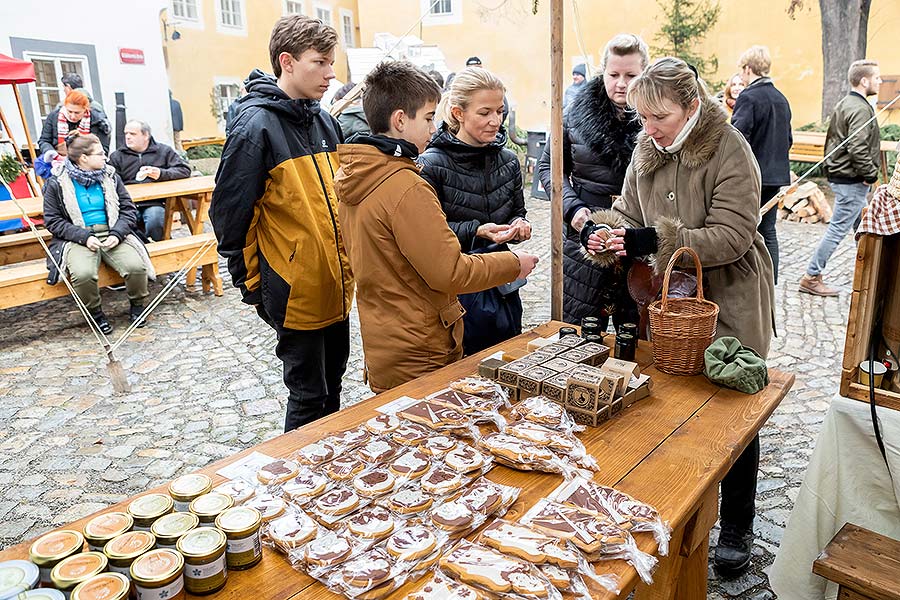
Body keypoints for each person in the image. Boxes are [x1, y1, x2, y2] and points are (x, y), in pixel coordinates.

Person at [586, 57, 775, 576]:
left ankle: (737, 523)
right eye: (642, 119)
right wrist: (606, 232)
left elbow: (735, 236)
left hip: (729, 298)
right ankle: (672, 505)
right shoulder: (649, 144)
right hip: (666, 301)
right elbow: (627, 210)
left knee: (733, 409)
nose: (648, 129)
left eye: (659, 118)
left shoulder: (730, 148)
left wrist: (656, 239)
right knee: (670, 401)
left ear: (692, 108)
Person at [335, 61, 535, 392]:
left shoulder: (359, 176)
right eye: (428, 118)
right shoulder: (405, 184)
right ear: (400, 120)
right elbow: (449, 272)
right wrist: (514, 264)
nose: (433, 127)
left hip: (387, 340)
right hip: (421, 346)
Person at [210, 15, 354, 431]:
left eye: (332, 62)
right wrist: (253, 286)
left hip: (336, 285)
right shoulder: (255, 127)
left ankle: (331, 475)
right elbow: (230, 218)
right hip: (294, 291)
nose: (331, 74)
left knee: (333, 388)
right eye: (320, 62)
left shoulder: (325, 121)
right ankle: (299, 483)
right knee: (308, 398)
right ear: (287, 62)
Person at [537, 33, 648, 329]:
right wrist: (574, 212)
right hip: (585, 239)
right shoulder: (574, 116)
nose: (621, 83)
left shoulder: (656, 121)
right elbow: (550, 168)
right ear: (603, 73)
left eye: (631, 75)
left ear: (644, 74)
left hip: (637, 244)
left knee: (636, 342)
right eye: (614, 74)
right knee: (579, 335)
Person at [418, 67, 531, 354]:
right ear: (458, 113)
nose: (496, 120)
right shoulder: (431, 165)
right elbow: (425, 238)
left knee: (507, 361)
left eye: (500, 111)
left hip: (503, 287)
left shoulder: (508, 161)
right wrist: (475, 230)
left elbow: (518, 211)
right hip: (457, 292)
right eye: (485, 112)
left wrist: (519, 226)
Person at [42, 133, 154, 334]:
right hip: (77, 237)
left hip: (113, 232)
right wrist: (84, 238)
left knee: (136, 266)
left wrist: (118, 234)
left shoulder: (111, 177)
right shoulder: (56, 182)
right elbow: (53, 221)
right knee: (83, 274)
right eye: (100, 154)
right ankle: (95, 314)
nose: (106, 158)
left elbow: (128, 210)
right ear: (83, 158)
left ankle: (137, 306)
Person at [799, 59, 882, 296]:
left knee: (864, 226)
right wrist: (869, 174)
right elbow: (857, 146)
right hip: (852, 179)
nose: (880, 81)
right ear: (864, 81)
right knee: (837, 229)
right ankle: (811, 276)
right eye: (876, 77)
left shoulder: (850, 103)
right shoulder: (858, 108)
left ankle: (869, 274)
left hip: (846, 176)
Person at [731, 45, 792, 284]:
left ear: (748, 69)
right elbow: (788, 139)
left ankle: (746, 282)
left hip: (752, 176)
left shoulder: (749, 96)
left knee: (744, 228)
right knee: (768, 230)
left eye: (742, 70)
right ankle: (770, 282)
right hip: (775, 176)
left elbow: (736, 137)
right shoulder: (781, 98)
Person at [108, 120, 192, 241]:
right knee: (125, 225)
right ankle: (145, 248)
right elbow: (111, 180)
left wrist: (161, 174)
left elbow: (184, 170)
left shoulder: (163, 151)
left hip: (155, 202)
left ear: (146, 135)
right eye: (126, 133)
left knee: (155, 220)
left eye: (132, 134)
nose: (127, 137)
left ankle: (161, 250)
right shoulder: (117, 156)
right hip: (128, 205)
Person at [39, 91, 111, 156]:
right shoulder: (54, 116)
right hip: (58, 160)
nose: (72, 116)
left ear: (86, 109)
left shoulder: (97, 120)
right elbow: (44, 140)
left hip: (87, 161)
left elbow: (103, 149)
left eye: (77, 113)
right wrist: (50, 153)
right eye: (69, 111)